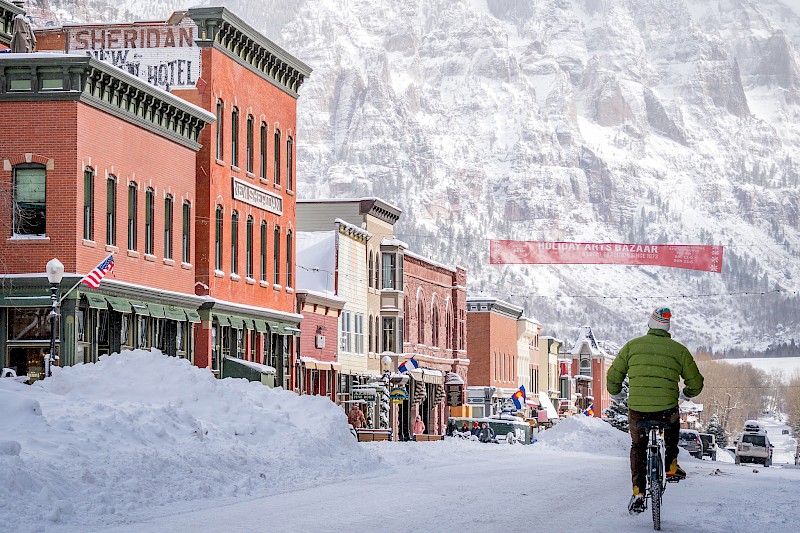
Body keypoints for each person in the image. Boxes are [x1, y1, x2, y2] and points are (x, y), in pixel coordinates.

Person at [607, 306, 704, 515]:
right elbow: (696, 383)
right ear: (667, 327)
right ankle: (670, 464)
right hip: (666, 409)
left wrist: (616, 394)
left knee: (638, 446)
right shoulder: (678, 350)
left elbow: (613, 378)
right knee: (671, 430)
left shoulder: (632, 347)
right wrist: (686, 394)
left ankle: (638, 491)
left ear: (650, 325)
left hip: (638, 410)